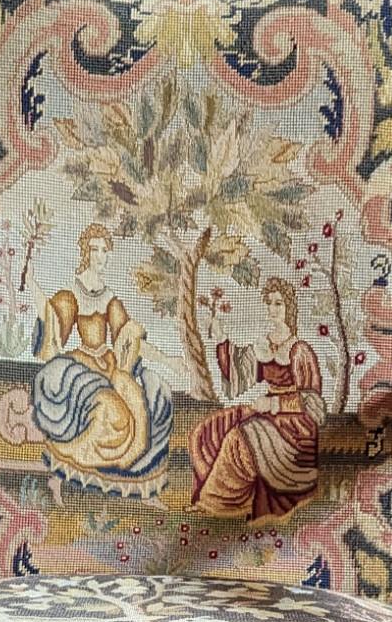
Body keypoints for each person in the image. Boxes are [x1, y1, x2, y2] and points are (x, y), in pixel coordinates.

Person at [29, 222, 171, 491]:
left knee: (138, 403)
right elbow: (53, 324)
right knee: (108, 405)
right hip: (83, 365)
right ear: (85, 253)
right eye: (95, 250)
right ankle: (78, 457)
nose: (101, 257)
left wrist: (168, 361)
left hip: (109, 364)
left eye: (105, 250)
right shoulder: (72, 294)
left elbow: (128, 338)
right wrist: (34, 284)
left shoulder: (110, 298)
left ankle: (123, 466)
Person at [188, 275, 325, 520]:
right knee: (213, 427)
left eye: (279, 303)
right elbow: (237, 372)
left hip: (295, 425)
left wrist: (275, 403)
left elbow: (313, 403)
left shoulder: (300, 350)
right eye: (270, 303)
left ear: (289, 308)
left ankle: (216, 504)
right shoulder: (264, 345)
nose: (273, 309)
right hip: (268, 415)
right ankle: (228, 502)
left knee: (237, 437)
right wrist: (221, 340)